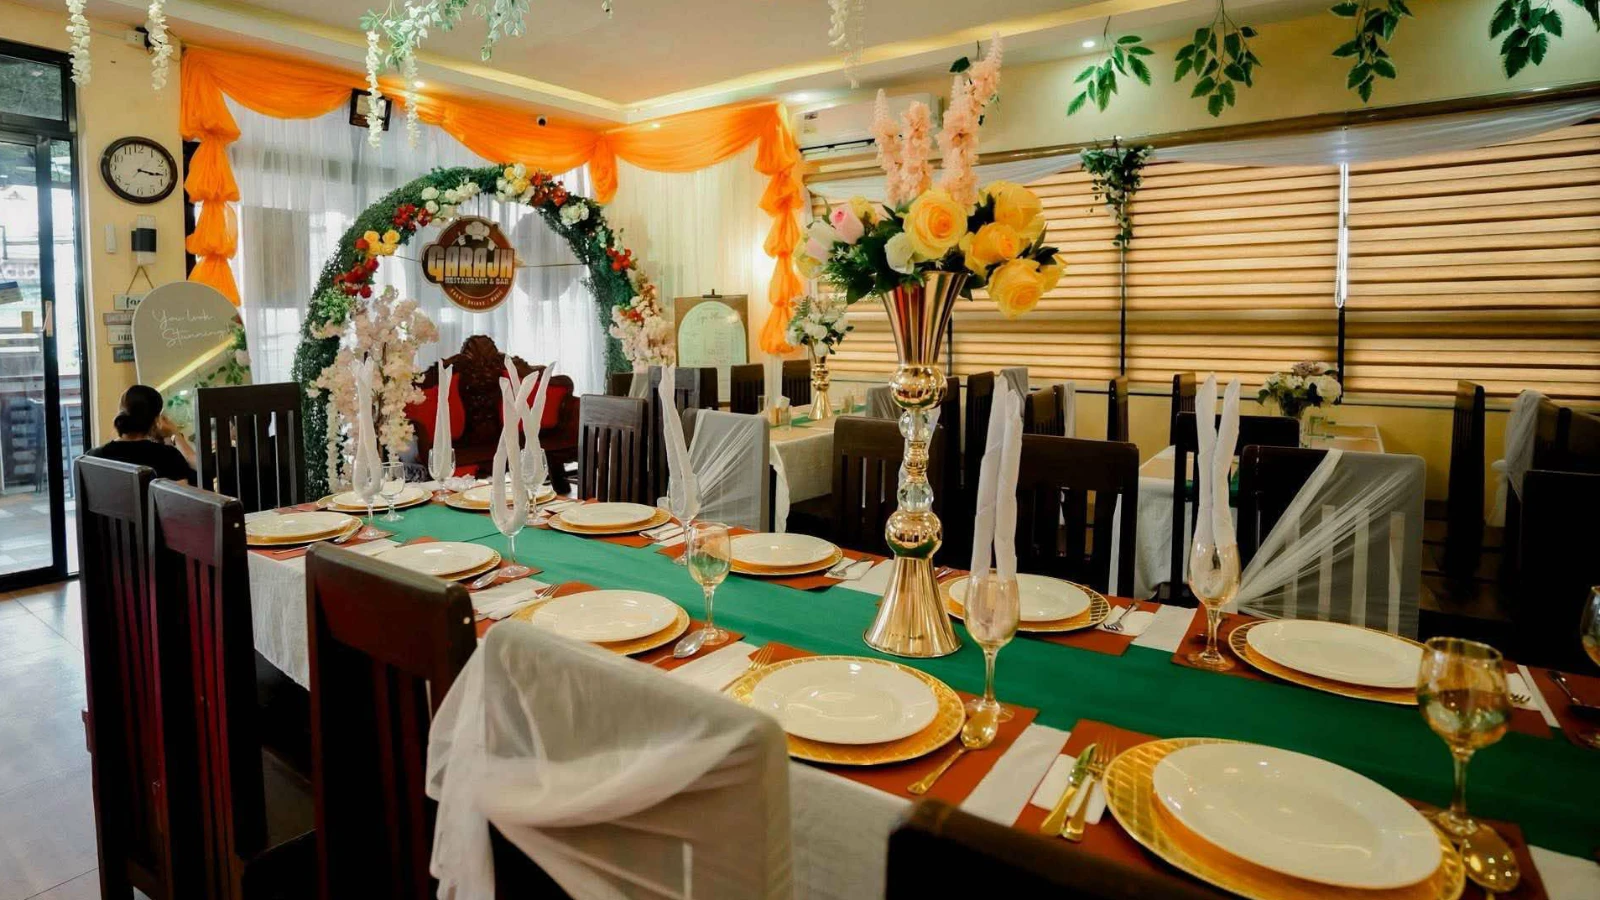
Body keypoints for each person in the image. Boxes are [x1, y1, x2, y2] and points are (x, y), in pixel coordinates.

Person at [88, 385, 197, 484]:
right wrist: (175, 436)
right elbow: (186, 493)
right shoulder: (168, 457)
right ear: (156, 419)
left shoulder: (93, 457)